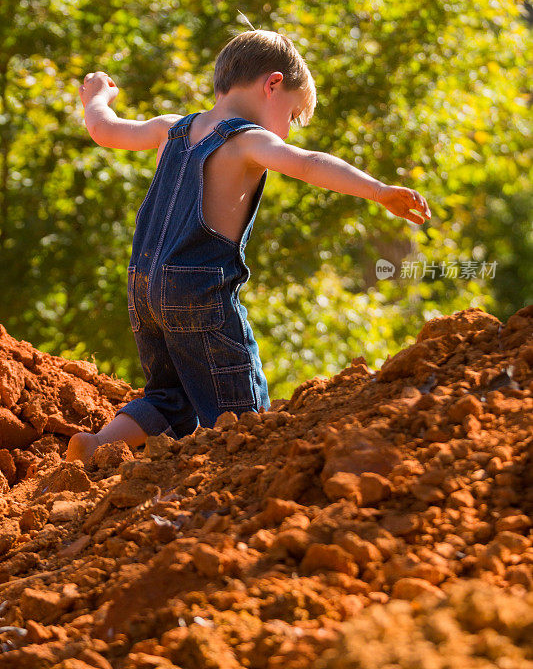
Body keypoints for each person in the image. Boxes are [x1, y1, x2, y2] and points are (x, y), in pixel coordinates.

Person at [66, 28, 431, 463]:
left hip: (143, 286)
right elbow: (309, 164)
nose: (288, 131)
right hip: (199, 290)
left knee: (171, 394)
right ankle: (244, 481)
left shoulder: (171, 130)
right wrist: (377, 190)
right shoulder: (248, 140)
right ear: (272, 84)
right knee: (246, 413)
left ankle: (97, 445)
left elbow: (105, 130)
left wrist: (96, 97)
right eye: (293, 116)